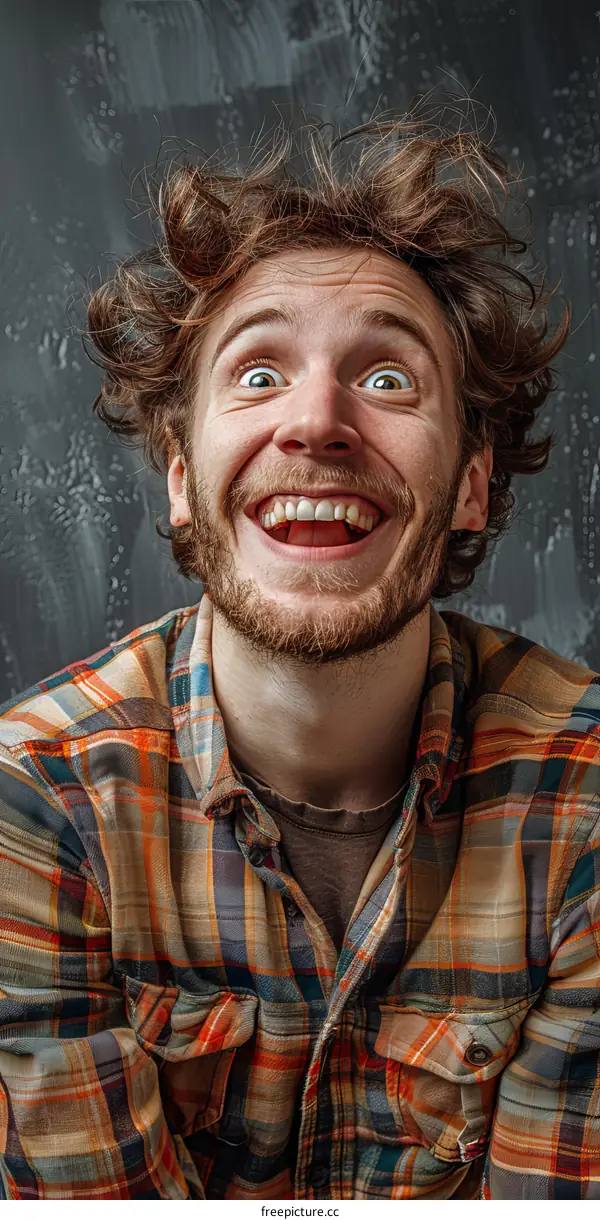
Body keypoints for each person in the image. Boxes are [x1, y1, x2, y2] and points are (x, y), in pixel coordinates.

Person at [0, 116, 598, 1202]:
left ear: (470, 480)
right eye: (261, 371)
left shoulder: (587, 800)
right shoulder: (32, 806)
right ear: (181, 475)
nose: (317, 420)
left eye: (387, 379)